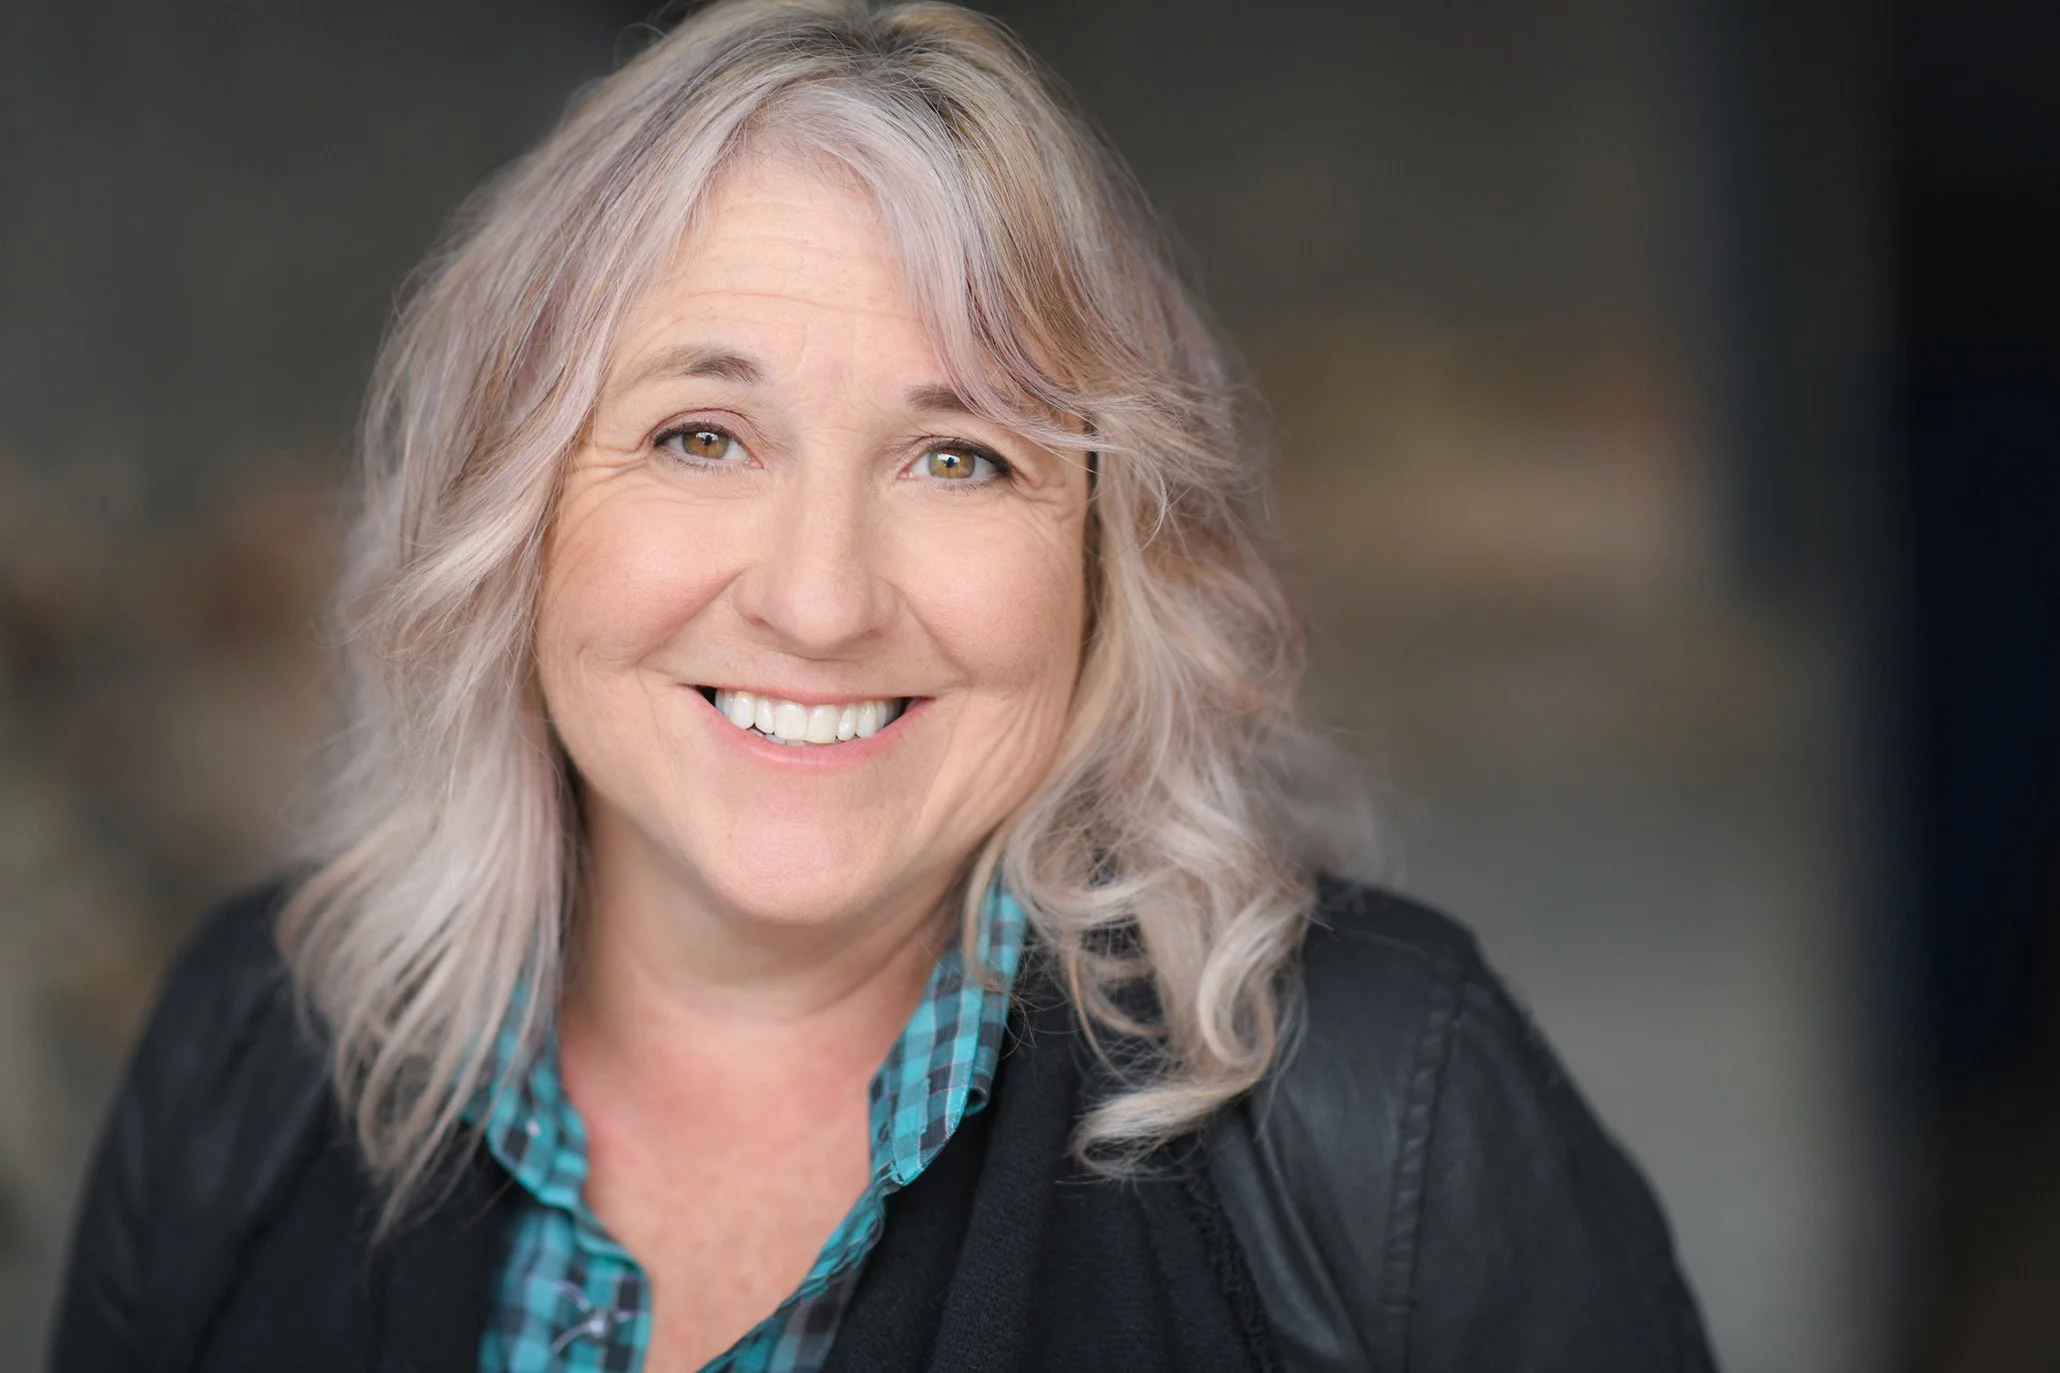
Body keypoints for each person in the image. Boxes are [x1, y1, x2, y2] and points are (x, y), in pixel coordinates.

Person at [49, 2, 1718, 1370]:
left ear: (1108, 557)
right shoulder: (248, 1062)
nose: (821, 599)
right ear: (515, 513)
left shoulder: (1383, 1106)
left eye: (959, 456)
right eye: (703, 437)